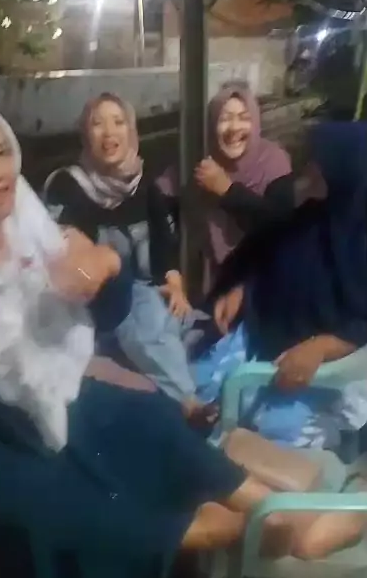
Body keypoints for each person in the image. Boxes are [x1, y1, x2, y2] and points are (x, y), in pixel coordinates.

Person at [0, 90, 352, 578]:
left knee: (147, 419)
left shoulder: (30, 222)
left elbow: (104, 313)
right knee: (53, 507)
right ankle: (210, 533)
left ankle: (273, 509)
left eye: (1, 151)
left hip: (37, 407)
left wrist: (105, 266)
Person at [192, 121, 367, 452]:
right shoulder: (311, 213)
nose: (310, 168)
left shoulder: (357, 240)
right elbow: (272, 260)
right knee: (194, 393)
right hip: (259, 332)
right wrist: (243, 290)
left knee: (269, 435)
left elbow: (362, 325)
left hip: (315, 367)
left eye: (320, 163)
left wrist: (321, 348)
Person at [43, 91, 213, 427]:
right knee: (142, 307)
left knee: (177, 317)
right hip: (93, 305)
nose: (109, 133)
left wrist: (174, 284)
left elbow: (164, 243)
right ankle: (189, 403)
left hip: (144, 300)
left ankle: (177, 393)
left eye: (118, 122)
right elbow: (65, 257)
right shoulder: (67, 186)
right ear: (85, 135)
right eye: (97, 124)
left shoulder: (143, 183)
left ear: (131, 131)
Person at [194, 81, 294, 291]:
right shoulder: (205, 162)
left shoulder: (274, 162)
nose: (234, 128)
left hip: (264, 281)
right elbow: (163, 189)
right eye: (224, 119)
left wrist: (228, 191)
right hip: (215, 281)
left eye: (244, 118)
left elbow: (281, 230)